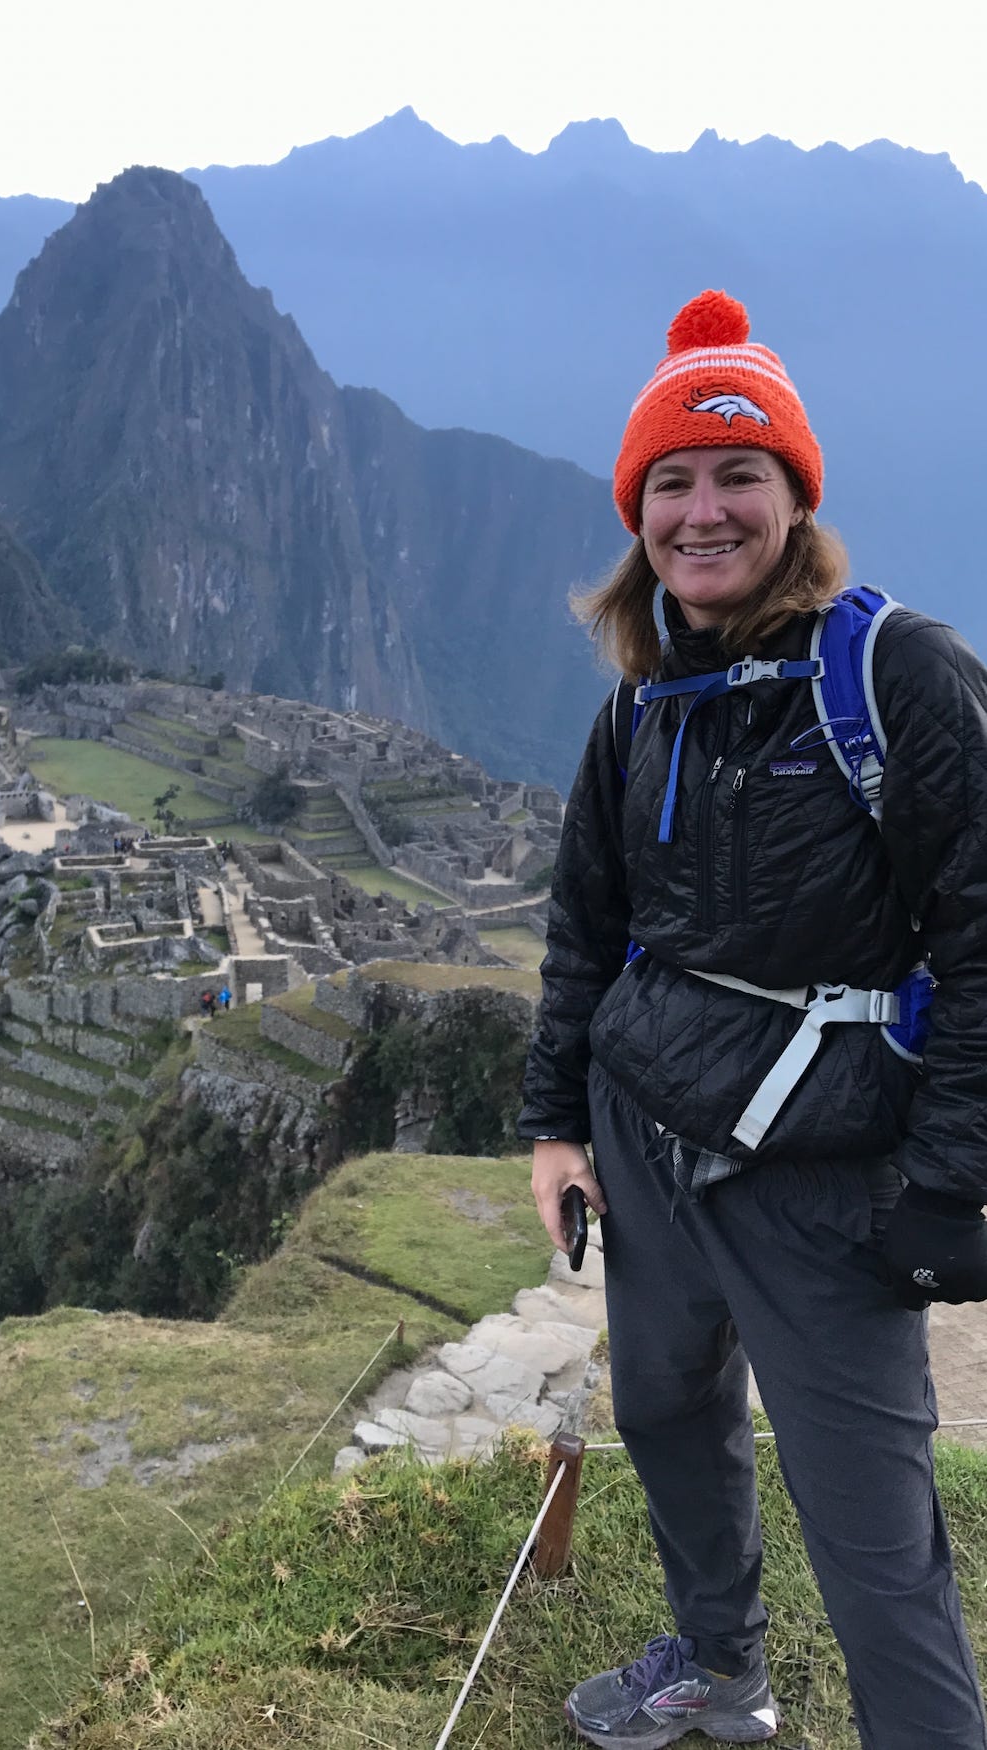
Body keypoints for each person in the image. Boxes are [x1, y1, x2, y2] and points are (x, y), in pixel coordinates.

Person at [520, 289, 987, 1749]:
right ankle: (721, 1670)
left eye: (737, 475)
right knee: (667, 1413)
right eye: (672, 482)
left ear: (794, 494)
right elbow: (583, 924)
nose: (702, 511)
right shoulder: (642, 700)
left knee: (865, 1513)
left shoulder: (895, 678)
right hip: (647, 1133)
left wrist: (950, 1173)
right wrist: (553, 1123)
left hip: (824, 1171)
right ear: (637, 509)